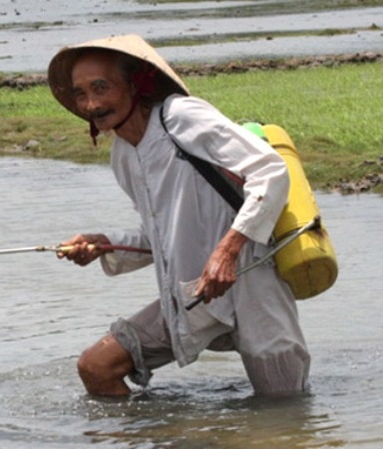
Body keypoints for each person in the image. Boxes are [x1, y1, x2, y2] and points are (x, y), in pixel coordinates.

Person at [47, 34, 310, 397]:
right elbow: (160, 233)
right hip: (192, 294)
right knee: (96, 367)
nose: (91, 103)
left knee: (283, 410)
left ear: (134, 84)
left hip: (252, 283)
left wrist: (228, 250)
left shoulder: (181, 117)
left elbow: (271, 172)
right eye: (80, 93)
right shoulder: (123, 155)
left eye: (101, 87)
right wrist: (105, 244)